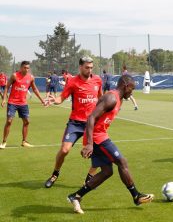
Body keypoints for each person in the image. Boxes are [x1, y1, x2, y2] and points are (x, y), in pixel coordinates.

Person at [66, 75, 154, 214]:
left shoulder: (118, 100)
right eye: (132, 89)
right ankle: (136, 196)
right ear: (125, 85)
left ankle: (76, 196)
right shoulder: (111, 98)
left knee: (107, 172)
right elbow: (91, 118)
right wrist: (89, 144)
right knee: (122, 161)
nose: (132, 92)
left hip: (100, 136)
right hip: (96, 138)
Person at [44, 56, 102, 188]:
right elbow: (62, 98)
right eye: (87, 67)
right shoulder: (72, 82)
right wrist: (54, 100)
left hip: (92, 124)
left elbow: (100, 99)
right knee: (64, 150)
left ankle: (89, 179)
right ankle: (55, 174)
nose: (89, 70)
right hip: (75, 123)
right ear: (80, 67)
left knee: (99, 152)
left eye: (91, 67)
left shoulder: (97, 80)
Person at [0, 61, 47, 149]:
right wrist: (4, 99)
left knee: (26, 122)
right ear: (21, 67)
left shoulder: (31, 77)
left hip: (23, 103)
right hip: (12, 102)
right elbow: (7, 86)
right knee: (9, 121)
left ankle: (24, 142)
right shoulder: (14, 75)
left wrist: (42, 100)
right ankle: (4, 142)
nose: (26, 69)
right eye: (25, 68)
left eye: (28, 68)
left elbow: (35, 89)